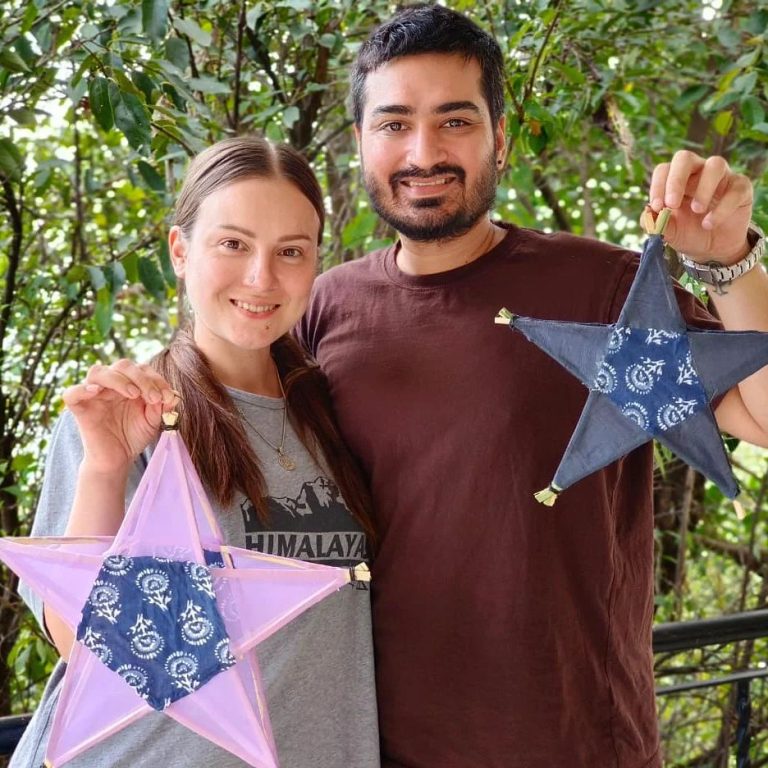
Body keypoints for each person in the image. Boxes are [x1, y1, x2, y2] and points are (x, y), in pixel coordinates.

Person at [298, 5, 768, 767]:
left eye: (455, 121)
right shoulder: (324, 308)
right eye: (393, 124)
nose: (423, 151)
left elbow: (759, 412)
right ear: (360, 144)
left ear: (500, 139)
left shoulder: (601, 286)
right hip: (377, 748)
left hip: (578, 745)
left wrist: (729, 262)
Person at [13, 136, 380, 768]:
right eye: (233, 244)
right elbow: (85, 646)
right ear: (180, 251)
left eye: (290, 251)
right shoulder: (128, 416)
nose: (261, 277)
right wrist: (104, 465)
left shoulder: (333, 415)